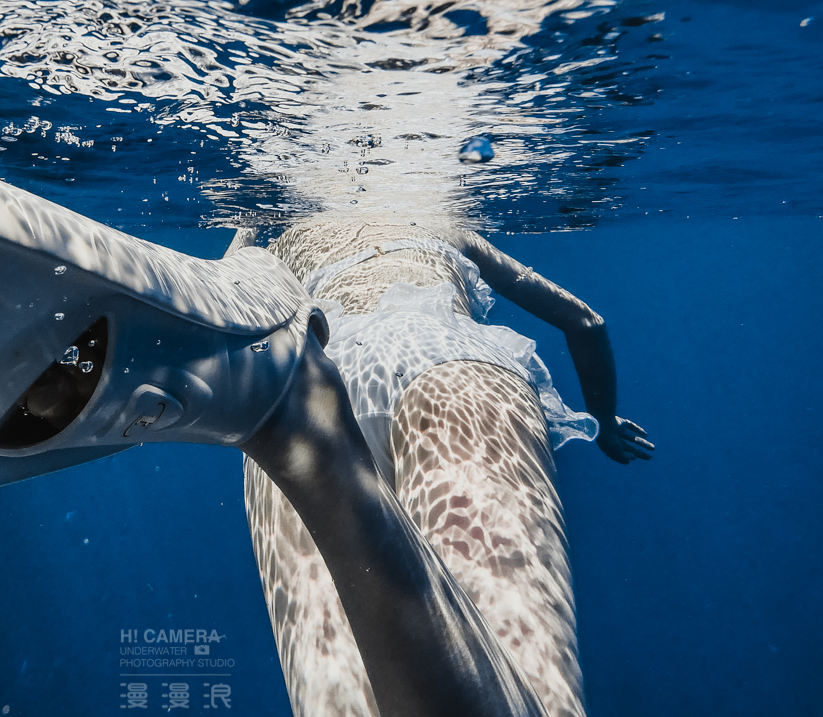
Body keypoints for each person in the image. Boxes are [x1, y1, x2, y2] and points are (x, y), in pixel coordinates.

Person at [241, 219, 652, 717]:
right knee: (532, 677)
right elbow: (586, 322)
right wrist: (604, 420)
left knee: (335, 688)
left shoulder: (286, 242)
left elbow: (215, 302)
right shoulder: (443, 221)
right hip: (454, 362)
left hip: (314, 388)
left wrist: (242, 235)